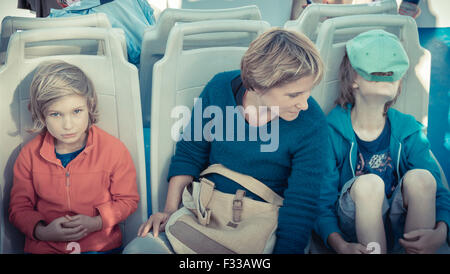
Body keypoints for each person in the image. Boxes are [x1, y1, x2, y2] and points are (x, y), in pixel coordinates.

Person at [123, 28, 330, 254]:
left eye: (308, 91)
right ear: (259, 85)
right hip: (204, 216)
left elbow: (301, 205)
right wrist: (170, 210)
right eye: (293, 95)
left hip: (261, 230)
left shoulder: (311, 122)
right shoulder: (219, 88)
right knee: (139, 249)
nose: (305, 104)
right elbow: (190, 153)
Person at [315, 29, 450, 254]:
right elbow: (320, 202)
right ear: (354, 78)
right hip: (353, 233)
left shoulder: (408, 130)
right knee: (370, 184)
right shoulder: (331, 132)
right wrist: (341, 245)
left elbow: (439, 190)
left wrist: (442, 231)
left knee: (423, 178)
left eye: (394, 71)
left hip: (399, 228)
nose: (388, 74)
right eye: (379, 67)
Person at [9, 61, 140, 254]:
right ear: (42, 116)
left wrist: (97, 222)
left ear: (89, 106)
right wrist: (43, 232)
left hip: (101, 247)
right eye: (56, 114)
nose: (68, 125)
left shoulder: (114, 150)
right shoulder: (29, 155)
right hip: (45, 247)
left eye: (77, 111)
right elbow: (18, 208)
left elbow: (128, 200)